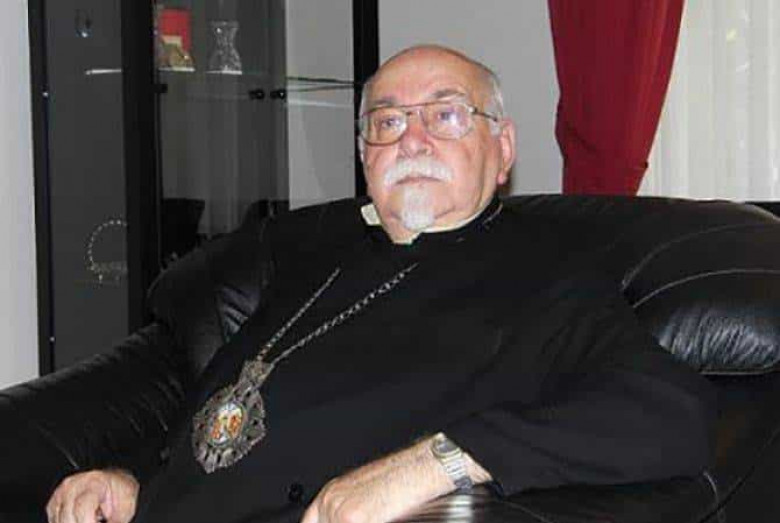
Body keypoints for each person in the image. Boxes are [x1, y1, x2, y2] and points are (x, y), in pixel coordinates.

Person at [45, 45, 716, 523]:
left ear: (504, 147)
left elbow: (670, 417)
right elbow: (229, 405)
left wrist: (436, 464)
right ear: (366, 154)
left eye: (446, 115)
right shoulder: (315, 262)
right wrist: (132, 476)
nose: (412, 140)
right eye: (388, 122)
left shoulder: (545, 275)